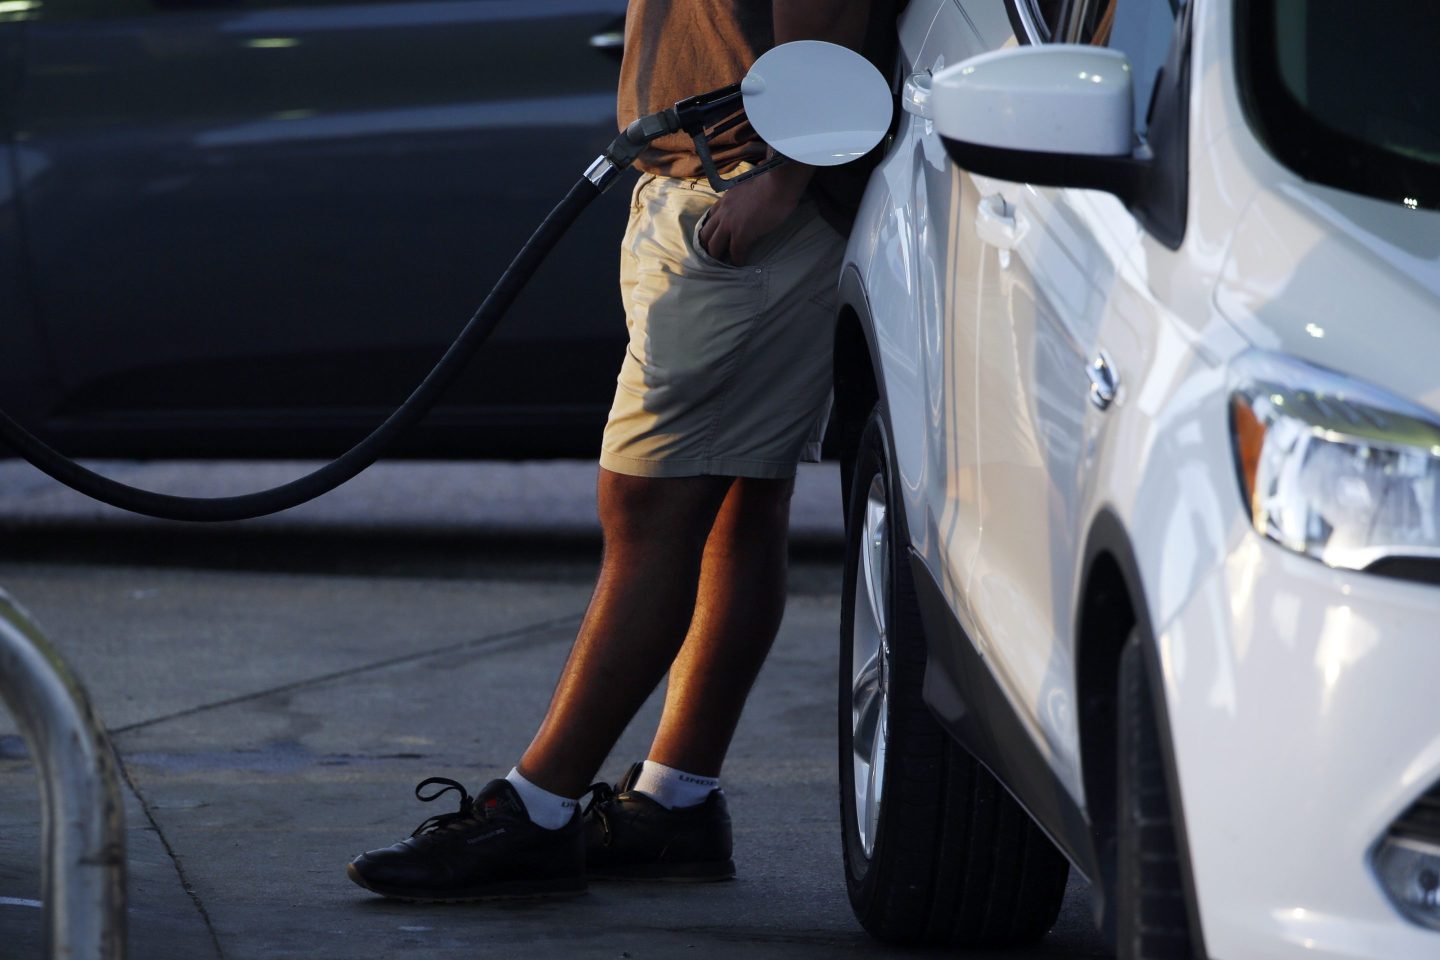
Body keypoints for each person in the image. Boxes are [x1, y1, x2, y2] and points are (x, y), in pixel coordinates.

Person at [347, 0, 890, 902]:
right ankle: (673, 803)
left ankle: (537, 810)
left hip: (746, 196)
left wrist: (784, 178)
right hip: (717, 186)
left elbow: (831, 26)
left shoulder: (769, 185)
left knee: (649, 506)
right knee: (736, 501)